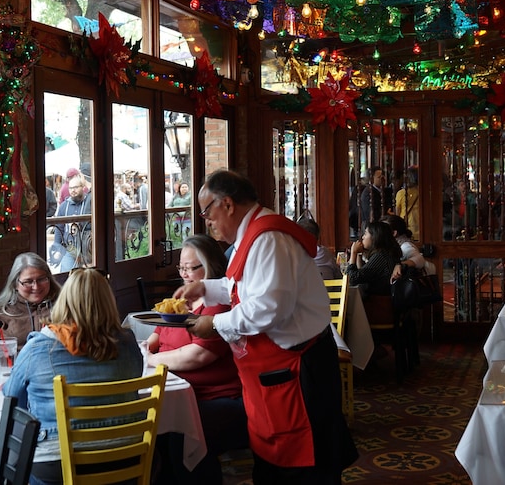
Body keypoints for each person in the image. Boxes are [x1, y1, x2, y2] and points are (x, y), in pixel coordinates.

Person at [178, 169, 357, 484]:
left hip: (299, 371)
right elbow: (245, 287)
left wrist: (215, 323)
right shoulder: (254, 234)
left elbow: (268, 308)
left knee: (305, 470)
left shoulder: (268, 238)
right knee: (274, 467)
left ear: (229, 204)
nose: (206, 220)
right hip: (276, 375)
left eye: (208, 211)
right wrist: (206, 289)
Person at [3, 268, 142, 485]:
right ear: (109, 302)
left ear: (64, 300)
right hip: (126, 456)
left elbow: (11, 398)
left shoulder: (38, 348)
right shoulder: (129, 343)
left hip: (56, 462)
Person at [145, 234, 247, 484]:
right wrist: (143, 348)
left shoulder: (218, 306)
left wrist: (151, 360)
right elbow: (156, 336)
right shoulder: (179, 301)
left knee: (180, 434)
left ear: (209, 266)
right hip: (178, 395)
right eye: (182, 267)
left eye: (191, 268)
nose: (184, 274)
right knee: (150, 431)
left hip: (218, 397)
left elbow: (198, 355)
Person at [0, 252, 62, 367]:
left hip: (59, 376)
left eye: (41, 279)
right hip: (10, 378)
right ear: (15, 284)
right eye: (28, 282)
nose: (36, 287)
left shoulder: (65, 307)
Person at [346, 221, 401, 297]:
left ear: (375, 236)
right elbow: (362, 273)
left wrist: (353, 253)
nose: (362, 237)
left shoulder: (381, 256)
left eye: (365, 234)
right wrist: (358, 254)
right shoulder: (385, 252)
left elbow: (351, 279)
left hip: (378, 304)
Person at [50, 175, 92, 272]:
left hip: (87, 248)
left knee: (87, 276)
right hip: (70, 247)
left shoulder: (89, 203)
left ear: (83, 187)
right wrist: (57, 247)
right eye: (70, 188)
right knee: (67, 276)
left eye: (76, 187)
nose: (73, 190)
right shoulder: (64, 206)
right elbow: (59, 228)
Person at [296, 214, 341, 280]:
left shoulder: (294, 256)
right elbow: (339, 277)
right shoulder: (326, 254)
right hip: (327, 290)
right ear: (318, 236)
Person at [394, 167, 420, 241]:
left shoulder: (401, 193)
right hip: (421, 228)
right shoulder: (421, 192)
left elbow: (397, 213)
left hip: (406, 228)